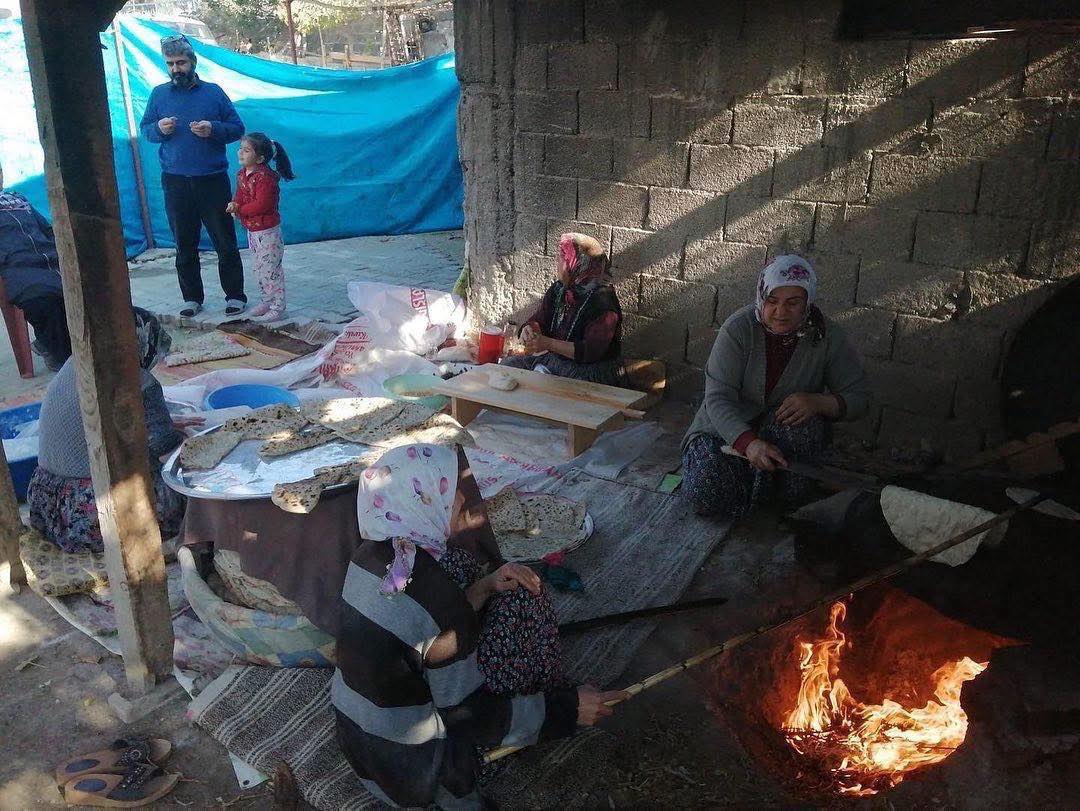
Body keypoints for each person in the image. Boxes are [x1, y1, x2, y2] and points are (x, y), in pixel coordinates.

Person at [333, 443, 625, 808]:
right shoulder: (439, 604)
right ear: (421, 503)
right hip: (420, 770)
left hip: (362, 746)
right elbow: (470, 716)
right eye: (447, 491)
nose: (459, 499)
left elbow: (420, 638)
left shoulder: (369, 558)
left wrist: (485, 586)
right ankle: (547, 697)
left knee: (493, 583)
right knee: (523, 601)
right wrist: (565, 711)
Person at [681, 255, 870, 520]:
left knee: (796, 466)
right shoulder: (738, 329)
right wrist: (748, 443)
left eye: (793, 303)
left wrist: (819, 402)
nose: (781, 312)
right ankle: (754, 489)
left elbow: (859, 397)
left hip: (784, 435)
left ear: (807, 302)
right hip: (727, 431)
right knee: (707, 493)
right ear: (761, 296)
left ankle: (778, 499)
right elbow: (717, 399)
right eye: (772, 301)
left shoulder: (827, 336)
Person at [27, 308, 196, 554]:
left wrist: (154, 422)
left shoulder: (75, 363)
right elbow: (166, 448)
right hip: (92, 517)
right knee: (191, 489)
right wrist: (186, 437)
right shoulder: (137, 380)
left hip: (48, 508)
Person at [139, 34, 247, 319]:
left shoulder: (213, 93)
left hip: (212, 179)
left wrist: (213, 128)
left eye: (181, 62)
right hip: (175, 181)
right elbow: (146, 130)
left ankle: (235, 296)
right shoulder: (159, 94)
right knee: (184, 243)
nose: (176, 68)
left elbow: (237, 128)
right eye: (171, 63)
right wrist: (159, 129)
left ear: (193, 62)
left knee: (225, 241)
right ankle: (192, 298)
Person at [502, 232, 624, 386]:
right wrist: (529, 329)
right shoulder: (560, 289)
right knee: (508, 366)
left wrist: (548, 344)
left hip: (591, 371)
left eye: (562, 257)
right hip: (558, 361)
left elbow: (589, 352)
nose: (557, 262)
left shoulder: (602, 302)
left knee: (546, 386)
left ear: (578, 264)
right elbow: (540, 319)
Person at [0, 159, 71, 371]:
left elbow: (47, 228)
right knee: (42, 300)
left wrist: (61, 248)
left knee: (82, 292)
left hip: (50, 257)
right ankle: (63, 358)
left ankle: (49, 345)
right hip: (17, 265)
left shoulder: (17, 198)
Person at [225, 133, 294, 322]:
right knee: (258, 268)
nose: (240, 153)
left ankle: (278, 307)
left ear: (261, 158)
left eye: (246, 150)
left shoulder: (266, 179)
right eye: (240, 148)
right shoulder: (242, 174)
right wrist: (234, 203)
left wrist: (240, 211)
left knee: (271, 270)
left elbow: (262, 205)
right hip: (253, 231)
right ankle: (266, 300)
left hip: (267, 232)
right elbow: (239, 194)